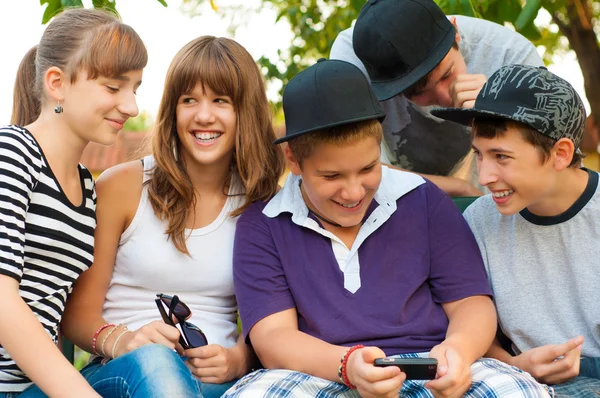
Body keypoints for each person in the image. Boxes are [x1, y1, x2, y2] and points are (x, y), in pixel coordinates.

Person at [223, 59, 551, 397]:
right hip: (317, 370)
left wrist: (459, 350)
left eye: (367, 169)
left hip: (431, 362)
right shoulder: (263, 224)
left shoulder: (424, 201)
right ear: (293, 159)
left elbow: (471, 304)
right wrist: (347, 364)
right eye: (331, 176)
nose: (352, 192)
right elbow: (273, 339)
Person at [61, 36, 285, 397]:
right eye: (189, 100)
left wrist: (240, 358)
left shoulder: (264, 203)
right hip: (123, 373)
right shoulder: (124, 185)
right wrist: (127, 340)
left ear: (245, 111)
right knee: (157, 363)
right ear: (173, 109)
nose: (204, 115)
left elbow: (277, 320)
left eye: (221, 101)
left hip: (219, 383)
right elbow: (76, 316)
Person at [0, 8, 147, 398]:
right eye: (114, 88)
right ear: (57, 83)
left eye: (136, 88)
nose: (131, 106)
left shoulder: (85, 186)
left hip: (37, 387)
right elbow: (1, 299)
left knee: (151, 366)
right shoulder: (12, 153)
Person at [431, 64, 600, 396]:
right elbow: (471, 326)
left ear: (561, 154)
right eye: (479, 155)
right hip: (519, 381)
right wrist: (517, 365)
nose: (485, 176)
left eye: (502, 157)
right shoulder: (478, 221)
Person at [329, 0, 544, 196]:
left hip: (493, 204)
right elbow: (351, 165)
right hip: (394, 201)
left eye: (448, 74)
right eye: (417, 93)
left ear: (456, 31)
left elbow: (556, 151)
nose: (443, 96)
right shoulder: (354, 61)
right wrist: (459, 188)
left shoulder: (510, 55)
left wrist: (502, 109)